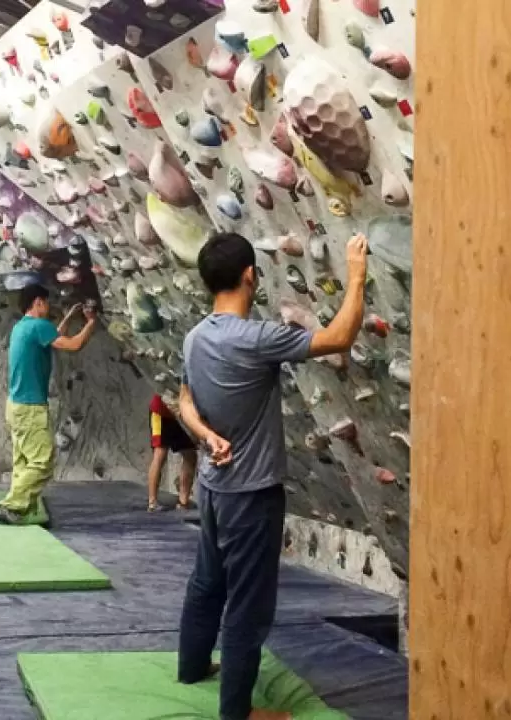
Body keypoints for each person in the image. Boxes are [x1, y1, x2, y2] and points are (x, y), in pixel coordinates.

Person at [175, 232, 368, 720]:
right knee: (247, 607)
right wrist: (357, 270)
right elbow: (339, 338)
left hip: (214, 491)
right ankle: (237, 713)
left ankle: (192, 667)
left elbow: (184, 402)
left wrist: (207, 437)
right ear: (249, 276)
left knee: (206, 582)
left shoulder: (195, 337)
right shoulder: (256, 338)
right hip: (252, 495)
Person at [0, 285, 97, 525]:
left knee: (23, 461)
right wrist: (91, 323)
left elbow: (52, 338)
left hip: (16, 406)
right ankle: (11, 505)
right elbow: (72, 345)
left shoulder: (22, 327)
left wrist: (70, 318)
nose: (49, 308)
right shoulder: (39, 327)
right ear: (38, 302)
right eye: (47, 303)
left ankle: (20, 510)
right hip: (30, 407)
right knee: (42, 462)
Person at [147, 394, 198, 512]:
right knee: (160, 453)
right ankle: (152, 502)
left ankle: (183, 502)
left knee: (190, 454)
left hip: (181, 414)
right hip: (161, 412)